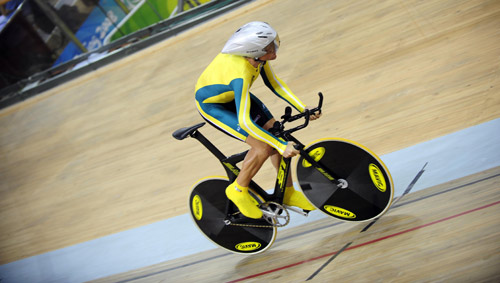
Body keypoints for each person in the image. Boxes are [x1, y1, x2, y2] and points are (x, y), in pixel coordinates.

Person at [195, 21, 321, 219]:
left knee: (278, 133)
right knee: (263, 147)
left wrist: (302, 108)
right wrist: (279, 145)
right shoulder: (240, 74)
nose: (275, 52)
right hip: (215, 107)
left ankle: (287, 192)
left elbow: (275, 84)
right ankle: (237, 189)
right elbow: (245, 122)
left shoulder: (256, 58)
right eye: (270, 49)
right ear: (254, 51)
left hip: (236, 96)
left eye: (273, 46)